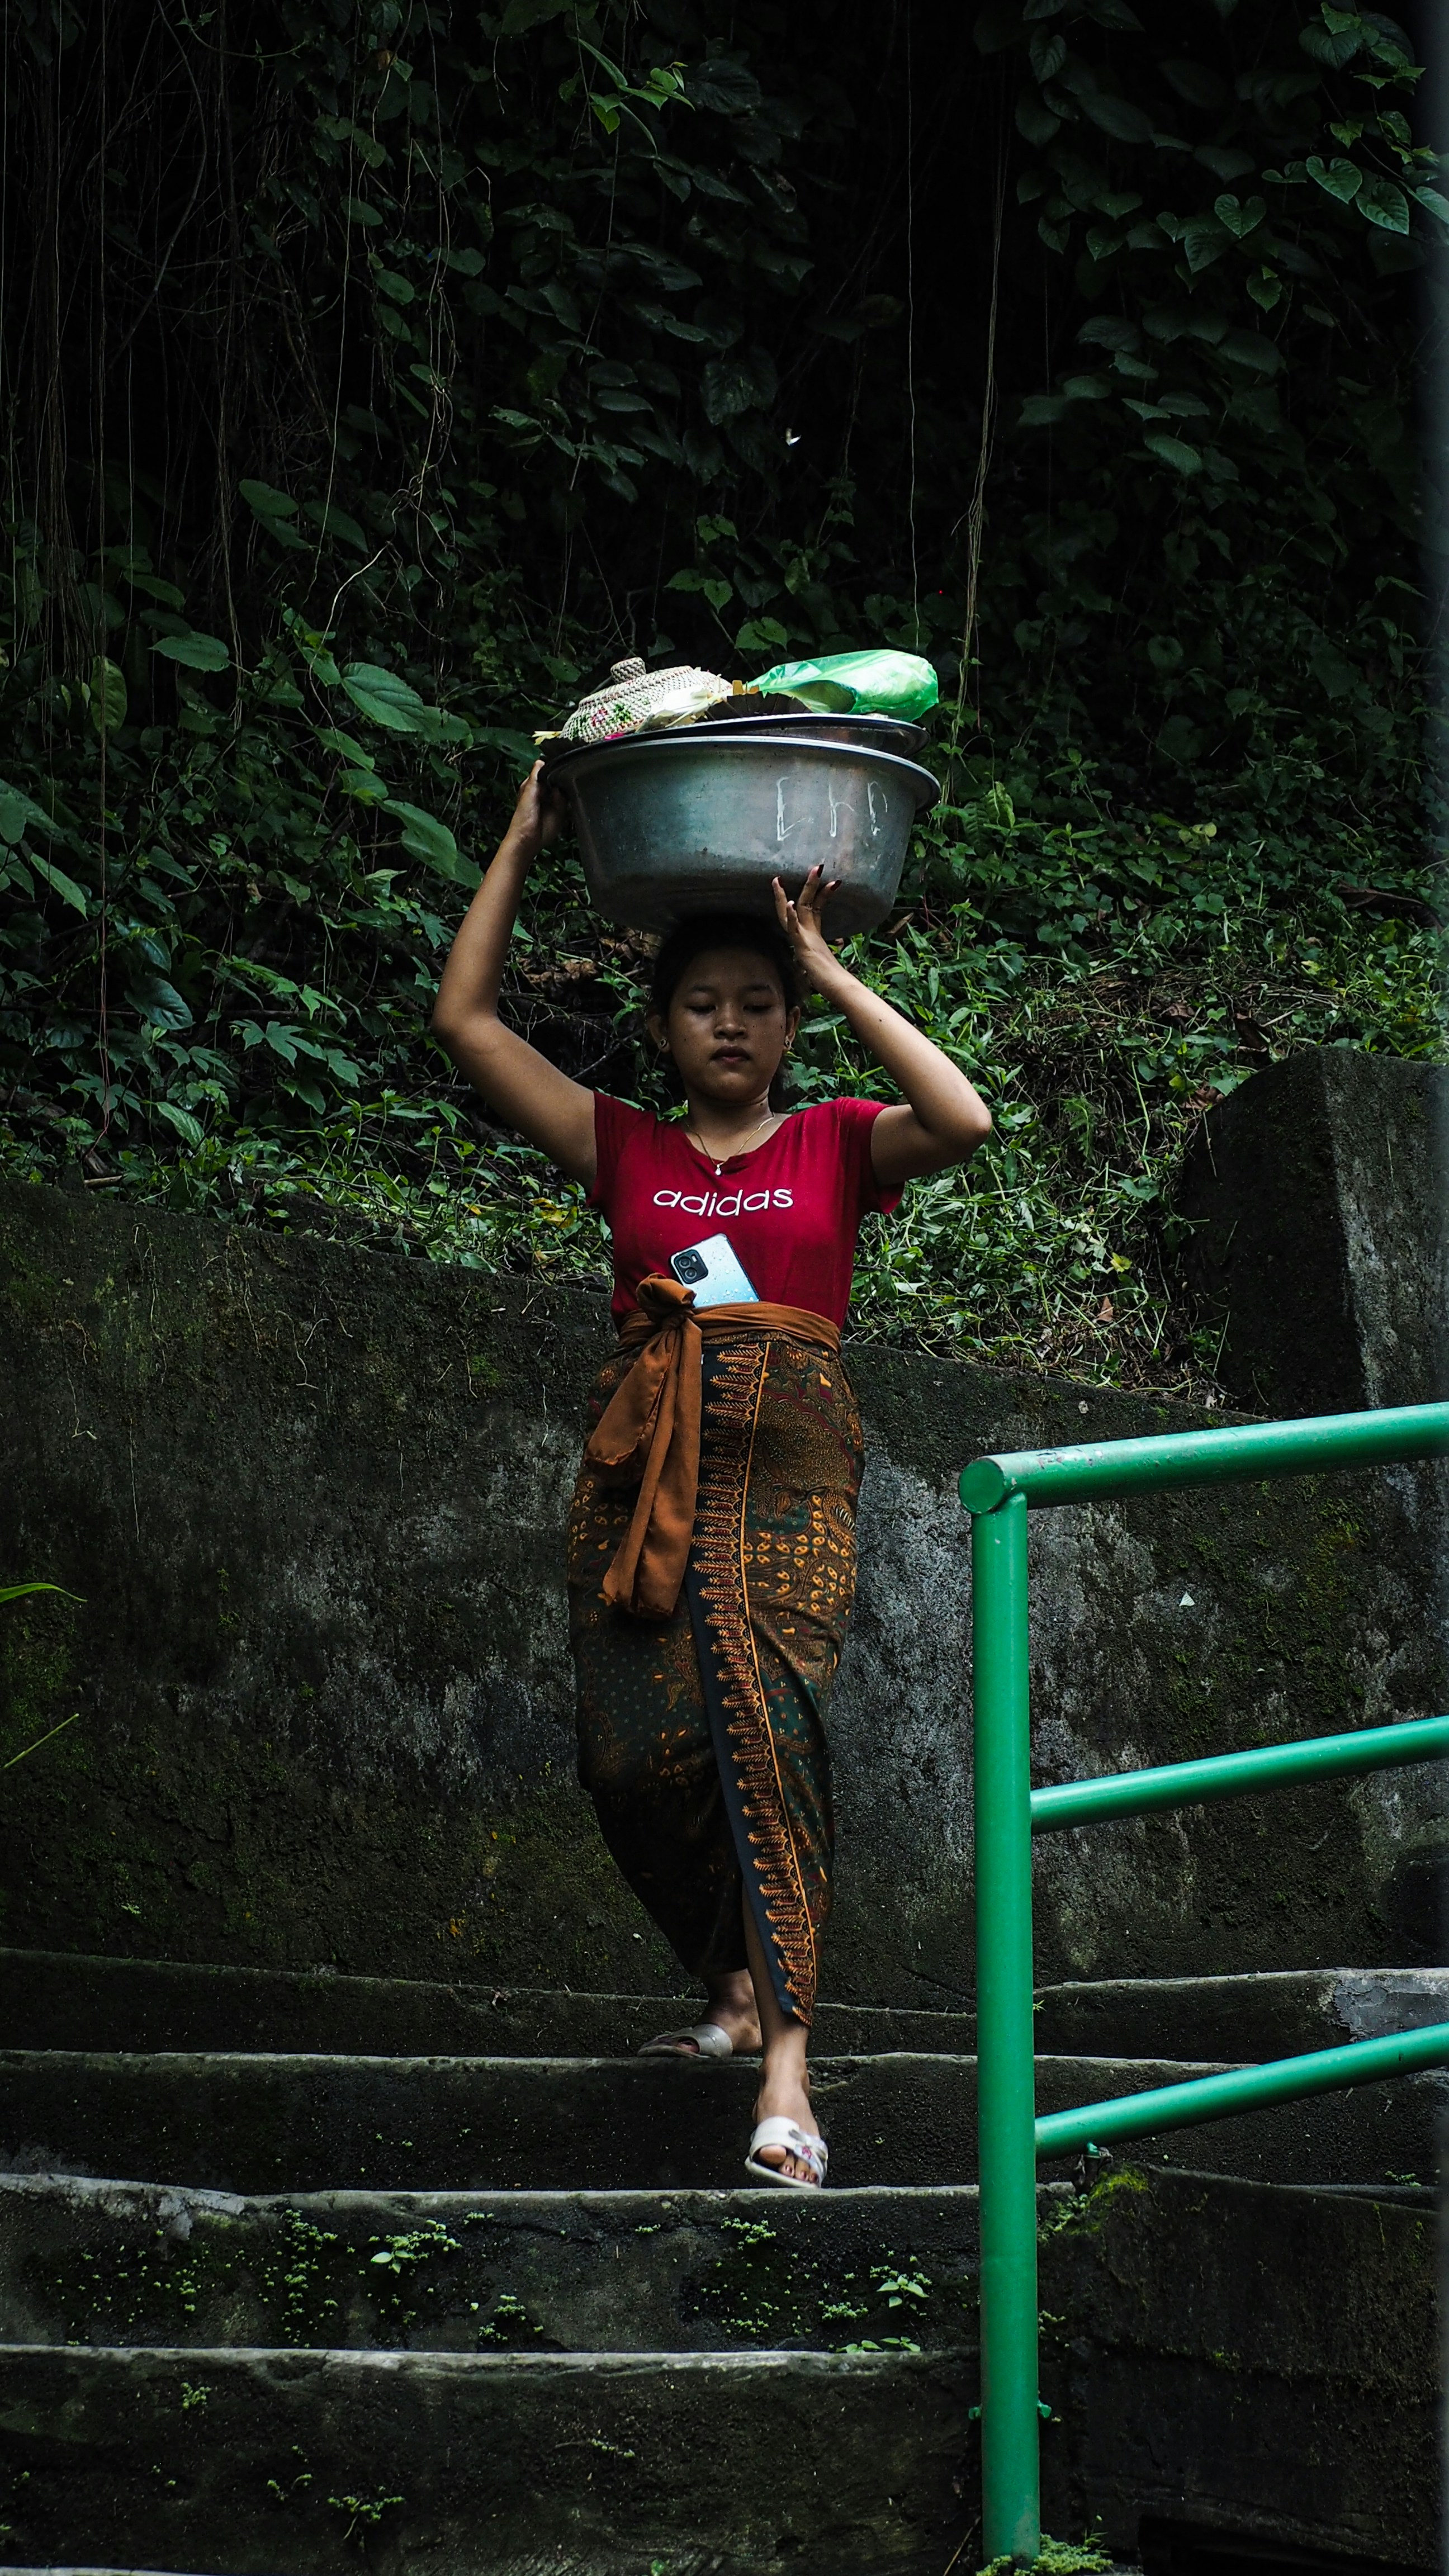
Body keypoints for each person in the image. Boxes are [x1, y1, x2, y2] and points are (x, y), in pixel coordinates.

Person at [432, 760, 991, 2186]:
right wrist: (519, 841)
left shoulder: (836, 1143)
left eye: (759, 1002)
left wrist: (826, 959)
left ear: (792, 1026)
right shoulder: (620, 1144)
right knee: (628, 1759)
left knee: (770, 1745)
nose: (731, 1023)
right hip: (643, 1461)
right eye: (703, 1003)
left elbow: (967, 1118)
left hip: (794, 1466)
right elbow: (467, 1023)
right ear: (666, 1030)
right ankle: (729, 1992)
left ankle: (788, 2081)